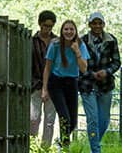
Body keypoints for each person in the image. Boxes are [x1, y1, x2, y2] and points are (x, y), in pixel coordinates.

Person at [42, 19, 89, 150]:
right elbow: (47, 67)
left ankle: (60, 142)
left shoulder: (80, 44)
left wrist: (77, 52)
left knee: (72, 121)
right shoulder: (55, 45)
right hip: (56, 82)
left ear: (75, 31)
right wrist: (44, 89)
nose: (68, 32)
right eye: (66, 29)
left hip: (72, 82)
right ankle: (64, 148)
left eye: (71, 29)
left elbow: (84, 69)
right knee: (65, 117)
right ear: (62, 31)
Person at [79, 12, 121, 153]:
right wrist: (92, 74)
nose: (97, 26)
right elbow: (79, 64)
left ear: (103, 24)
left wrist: (107, 71)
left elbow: (116, 62)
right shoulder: (82, 41)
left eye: (99, 23)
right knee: (93, 120)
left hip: (105, 85)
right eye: (94, 23)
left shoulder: (111, 40)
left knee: (104, 120)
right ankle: (96, 150)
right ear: (90, 24)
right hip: (88, 85)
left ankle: (93, 145)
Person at [30, 11, 59, 146]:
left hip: (53, 85)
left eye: (50, 26)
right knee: (33, 118)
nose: (47, 29)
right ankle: (32, 145)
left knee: (50, 120)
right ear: (40, 24)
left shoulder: (57, 42)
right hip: (35, 84)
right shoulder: (31, 41)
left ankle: (45, 147)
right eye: (45, 25)